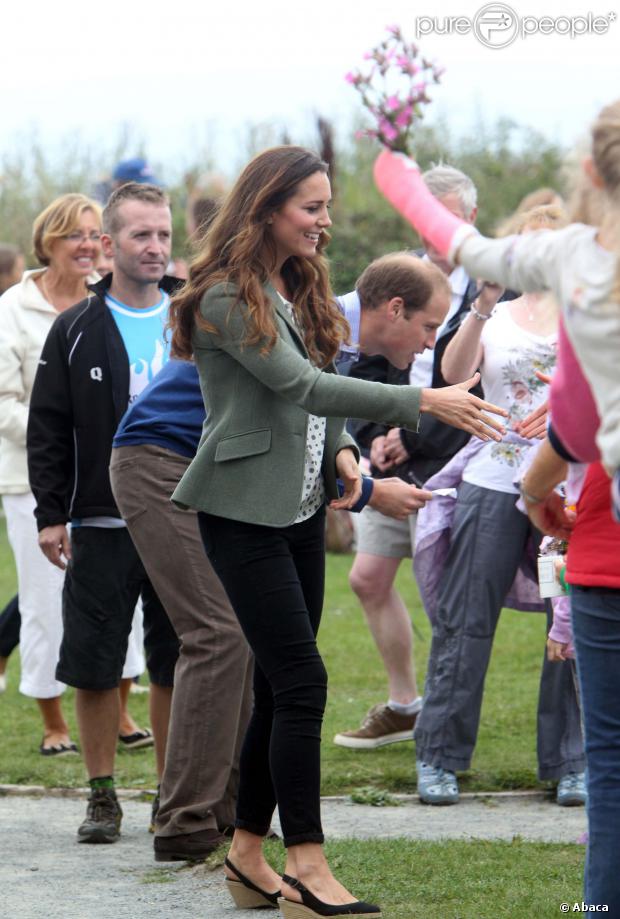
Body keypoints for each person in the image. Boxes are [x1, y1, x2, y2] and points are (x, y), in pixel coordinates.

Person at [166, 145, 507, 917]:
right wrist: (426, 402)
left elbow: (318, 408)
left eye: (325, 205)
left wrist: (347, 452)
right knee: (304, 683)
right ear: (266, 208)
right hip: (240, 510)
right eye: (311, 208)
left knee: (277, 684)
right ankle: (306, 867)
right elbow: (301, 384)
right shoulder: (223, 292)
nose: (325, 221)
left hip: (296, 511)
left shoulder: (297, 283)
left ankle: (248, 854)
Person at [411, 206, 584, 806]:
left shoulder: (590, 316)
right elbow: (453, 375)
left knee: (571, 626)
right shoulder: (497, 314)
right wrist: (481, 305)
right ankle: (438, 757)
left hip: (567, 490)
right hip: (491, 479)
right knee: (464, 622)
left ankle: (570, 763)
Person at [27, 182, 180, 844]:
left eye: (164, 234)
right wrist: (51, 513)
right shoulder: (77, 327)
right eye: (141, 235)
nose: (155, 247)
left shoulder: (191, 319)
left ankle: (174, 794)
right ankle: (101, 795)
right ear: (110, 245)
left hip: (183, 521)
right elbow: (48, 427)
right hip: (100, 520)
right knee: (93, 658)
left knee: (178, 659)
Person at [335, 168, 487, 750]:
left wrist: (414, 435)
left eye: (444, 217)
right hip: (385, 453)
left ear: (469, 220)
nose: (433, 231)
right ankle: (406, 703)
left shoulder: (493, 288)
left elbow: (479, 392)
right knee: (368, 578)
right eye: (424, 217)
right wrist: (373, 434)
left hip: (450, 458)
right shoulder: (398, 280)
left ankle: (444, 722)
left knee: (443, 592)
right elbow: (362, 369)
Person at [0, 194, 101, 755]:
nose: (87, 245)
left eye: (94, 234)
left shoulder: (109, 302)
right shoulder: (12, 309)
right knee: (44, 599)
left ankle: (118, 714)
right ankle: (53, 722)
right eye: (74, 235)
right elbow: (3, 400)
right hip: (30, 479)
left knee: (119, 597)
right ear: (48, 243)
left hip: (108, 475)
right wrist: (61, 437)